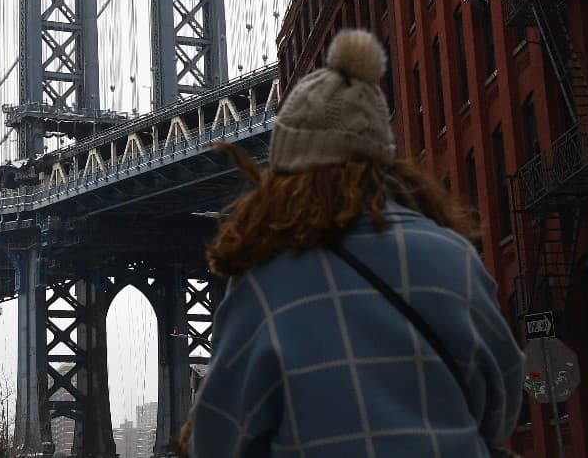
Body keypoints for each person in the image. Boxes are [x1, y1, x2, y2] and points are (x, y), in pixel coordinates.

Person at [184, 29, 524, 457]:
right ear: (381, 157)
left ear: (285, 173)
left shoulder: (263, 283)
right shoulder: (453, 255)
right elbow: (503, 403)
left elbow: (218, 439)